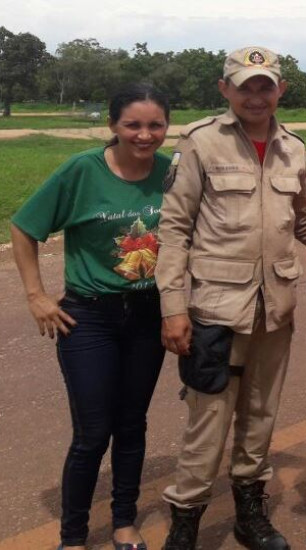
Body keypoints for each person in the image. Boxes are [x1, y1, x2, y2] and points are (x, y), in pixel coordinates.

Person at [156, 46, 306, 550]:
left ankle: (250, 514)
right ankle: (185, 521)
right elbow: (174, 228)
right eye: (245, 85)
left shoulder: (293, 148)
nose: (255, 95)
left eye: (264, 85)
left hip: (276, 310)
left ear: (280, 91)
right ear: (225, 88)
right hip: (215, 313)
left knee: (261, 416)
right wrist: (173, 307)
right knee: (209, 423)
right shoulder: (202, 143)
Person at [10, 83, 171, 550]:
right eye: (133, 125)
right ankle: (74, 536)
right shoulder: (83, 170)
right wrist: (36, 295)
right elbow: (24, 226)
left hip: (147, 313)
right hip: (89, 318)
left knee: (132, 423)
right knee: (93, 432)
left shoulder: (171, 171)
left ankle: (124, 521)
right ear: (112, 125)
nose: (145, 135)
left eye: (155, 124)